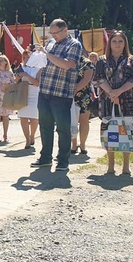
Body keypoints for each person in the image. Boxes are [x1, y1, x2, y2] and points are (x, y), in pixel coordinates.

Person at [30, 19, 84, 172]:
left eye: (56, 33)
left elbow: (67, 64)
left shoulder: (74, 44)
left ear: (65, 30)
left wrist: (46, 54)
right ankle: (45, 157)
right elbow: (45, 64)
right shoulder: (51, 43)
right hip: (45, 91)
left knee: (62, 128)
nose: (53, 36)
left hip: (61, 92)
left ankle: (63, 160)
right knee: (45, 126)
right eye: (51, 33)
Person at [93, 31, 133, 175]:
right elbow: (98, 78)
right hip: (107, 102)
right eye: (114, 41)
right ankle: (110, 165)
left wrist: (119, 91)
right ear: (110, 43)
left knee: (128, 131)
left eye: (120, 41)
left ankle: (126, 165)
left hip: (128, 102)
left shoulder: (131, 60)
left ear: (125, 43)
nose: (117, 44)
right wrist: (111, 93)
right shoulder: (102, 60)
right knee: (110, 132)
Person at [15, 50, 42, 149]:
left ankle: (32, 135)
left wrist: (26, 75)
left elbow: (37, 83)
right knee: (23, 117)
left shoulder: (39, 69)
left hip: (34, 93)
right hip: (23, 93)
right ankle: (27, 139)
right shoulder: (21, 67)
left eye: (28, 58)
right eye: (24, 58)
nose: (26, 60)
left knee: (34, 118)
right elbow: (16, 81)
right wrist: (17, 78)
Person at [70, 56, 94, 155]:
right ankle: (74, 144)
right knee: (72, 121)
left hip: (84, 95)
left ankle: (83, 144)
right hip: (69, 95)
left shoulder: (87, 63)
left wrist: (75, 90)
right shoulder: (67, 60)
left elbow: (86, 79)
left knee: (84, 120)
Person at [0, 55, 15, 143]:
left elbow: (14, 83)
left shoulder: (9, 73)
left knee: (5, 116)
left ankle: (5, 134)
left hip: (7, 96)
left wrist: (7, 86)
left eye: (1, 60)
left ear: (6, 62)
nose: (0, 62)